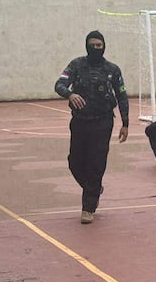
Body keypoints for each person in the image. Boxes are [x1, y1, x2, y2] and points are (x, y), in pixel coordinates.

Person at [54, 30, 129, 224]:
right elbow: (59, 84)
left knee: (96, 163)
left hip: (103, 122)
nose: (96, 48)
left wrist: (125, 123)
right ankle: (93, 187)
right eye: (92, 45)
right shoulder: (76, 65)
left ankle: (88, 207)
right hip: (80, 121)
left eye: (99, 45)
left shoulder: (112, 69)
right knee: (75, 161)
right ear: (86, 46)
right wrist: (70, 94)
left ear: (104, 46)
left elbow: (121, 95)